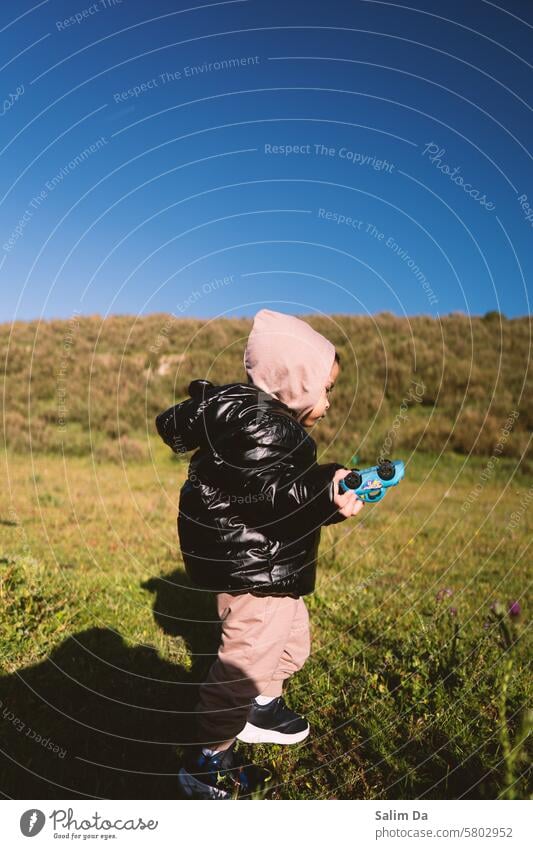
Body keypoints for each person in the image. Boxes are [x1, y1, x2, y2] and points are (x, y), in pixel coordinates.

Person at [155, 308, 364, 798]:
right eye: (325, 389)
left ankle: (262, 707)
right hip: (254, 572)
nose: (329, 402)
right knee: (244, 665)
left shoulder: (270, 429)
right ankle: (206, 761)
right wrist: (321, 494)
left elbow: (282, 498)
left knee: (293, 643)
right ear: (296, 381)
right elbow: (274, 497)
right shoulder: (263, 428)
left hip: (272, 564)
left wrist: (324, 493)